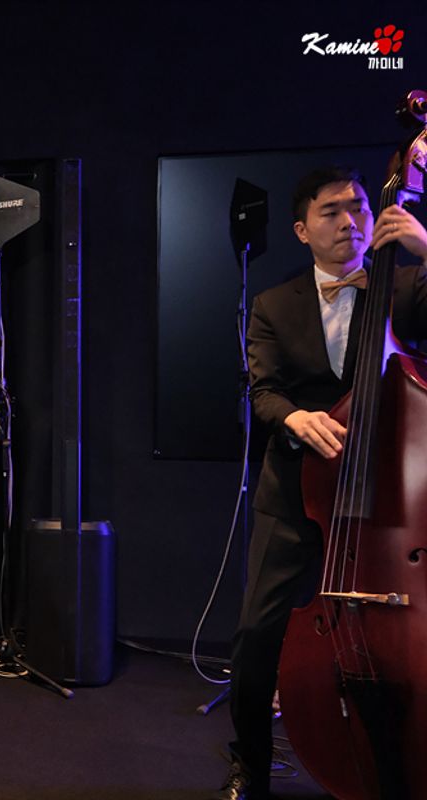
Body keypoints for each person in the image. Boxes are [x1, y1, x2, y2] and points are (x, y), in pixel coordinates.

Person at [214, 166, 427, 800]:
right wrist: (294, 418)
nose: (350, 221)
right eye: (331, 211)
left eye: (358, 207)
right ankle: (250, 764)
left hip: (391, 507)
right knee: (257, 637)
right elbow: (264, 391)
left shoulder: (407, 286)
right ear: (302, 230)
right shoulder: (273, 305)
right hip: (298, 496)